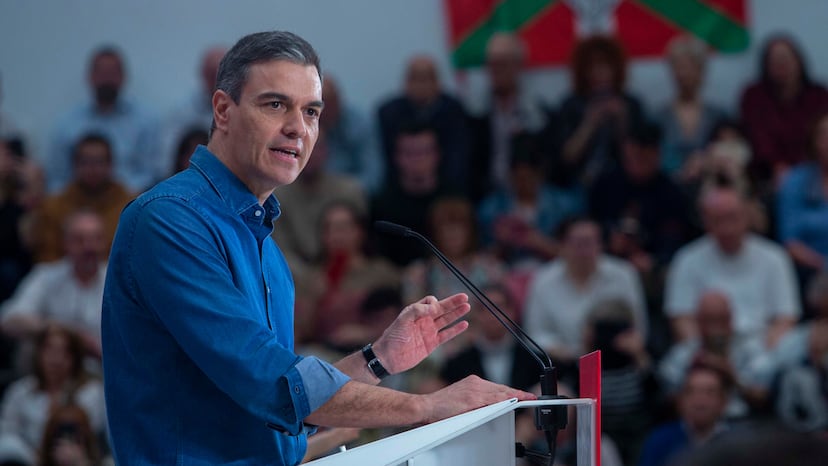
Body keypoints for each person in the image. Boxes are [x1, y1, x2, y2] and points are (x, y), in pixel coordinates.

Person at [101, 31, 534, 465]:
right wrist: (427, 406)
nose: (298, 128)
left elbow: (286, 410)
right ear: (223, 110)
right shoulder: (168, 220)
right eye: (275, 105)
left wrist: (378, 358)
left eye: (311, 111)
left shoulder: (267, 249)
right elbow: (271, 383)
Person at [664, 187, 800, 347]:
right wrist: (706, 351)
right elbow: (681, 317)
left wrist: (767, 354)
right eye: (718, 220)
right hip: (707, 348)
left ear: (747, 216)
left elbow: (785, 317)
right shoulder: (686, 260)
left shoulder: (775, 258)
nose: (727, 227)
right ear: (705, 221)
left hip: (764, 346)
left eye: (732, 218)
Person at [523, 217, 647, 373]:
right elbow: (535, 333)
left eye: (589, 242)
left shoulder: (624, 274)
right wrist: (565, 353)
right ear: (562, 245)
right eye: (577, 243)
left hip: (616, 362)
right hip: (562, 365)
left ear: (601, 244)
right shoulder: (543, 280)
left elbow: (639, 326)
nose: (583, 251)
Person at [47, 46, 160, 193]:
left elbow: (151, 174)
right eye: (102, 73)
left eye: (112, 73)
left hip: (131, 199)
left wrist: (123, 197)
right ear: (90, 77)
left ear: (123, 77)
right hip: (78, 201)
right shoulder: (67, 124)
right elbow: (57, 178)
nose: (107, 79)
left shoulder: (146, 121)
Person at [1, 210, 107, 357]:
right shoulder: (45, 276)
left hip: (104, 365)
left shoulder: (118, 281)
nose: (89, 247)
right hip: (56, 364)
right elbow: (9, 319)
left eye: (96, 239)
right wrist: (62, 332)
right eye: (79, 240)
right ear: (66, 243)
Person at [658, 291, 772, 419]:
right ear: (699, 322)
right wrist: (693, 374)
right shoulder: (683, 354)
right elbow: (668, 398)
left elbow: (762, 397)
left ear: (730, 321)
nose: (716, 328)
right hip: (697, 423)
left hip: (745, 422)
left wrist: (732, 377)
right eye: (709, 321)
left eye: (721, 320)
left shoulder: (750, 350)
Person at [553, 35, 647, 189]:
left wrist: (622, 121)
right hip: (578, 184)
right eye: (591, 66)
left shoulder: (631, 105)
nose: (597, 72)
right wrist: (589, 124)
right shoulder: (571, 105)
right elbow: (566, 157)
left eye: (604, 65)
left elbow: (641, 160)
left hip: (623, 184)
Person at [0, 325, 105, 462]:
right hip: (27, 459)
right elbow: (7, 432)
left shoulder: (91, 392)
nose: (56, 359)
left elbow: (92, 433)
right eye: (49, 350)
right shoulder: (20, 391)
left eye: (64, 352)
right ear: (39, 353)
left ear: (75, 357)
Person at [467, 33, 549, 202]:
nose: (495, 71)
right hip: (489, 197)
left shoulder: (539, 113)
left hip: (533, 196)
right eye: (491, 64)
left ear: (519, 66)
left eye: (502, 64)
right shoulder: (475, 115)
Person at [739, 34, 828, 188]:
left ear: (799, 61)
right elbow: (756, 136)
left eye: (785, 59)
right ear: (766, 65)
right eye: (775, 61)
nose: (781, 65)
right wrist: (776, 166)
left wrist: (802, 171)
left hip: (815, 169)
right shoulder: (754, 96)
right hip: (766, 173)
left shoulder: (819, 95)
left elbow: (820, 136)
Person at [28, 134, 133, 264]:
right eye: (86, 162)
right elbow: (47, 257)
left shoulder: (131, 207)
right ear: (74, 164)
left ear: (111, 164)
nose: (93, 168)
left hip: (116, 273)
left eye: (99, 161)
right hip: (65, 274)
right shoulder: (52, 207)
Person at [377, 55, 471, 191]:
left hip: (445, 186)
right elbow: (385, 160)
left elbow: (458, 157)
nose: (421, 84)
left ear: (438, 82)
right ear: (405, 82)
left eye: (427, 78)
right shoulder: (388, 113)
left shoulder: (453, 110)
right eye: (415, 78)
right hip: (399, 188)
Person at [371, 122, 458, 267]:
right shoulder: (382, 204)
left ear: (437, 155)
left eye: (424, 151)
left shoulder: (454, 199)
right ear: (397, 157)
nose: (418, 159)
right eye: (409, 153)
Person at [656, 36, 726, 177]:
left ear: (701, 71)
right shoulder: (658, 117)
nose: (683, 74)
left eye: (689, 67)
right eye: (678, 67)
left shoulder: (718, 116)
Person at [638, 364, 730, 466]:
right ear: (680, 400)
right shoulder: (659, 440)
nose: (700, 401)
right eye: (691, 392)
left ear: (724, 401)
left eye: (710, 393)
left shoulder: (736, 442)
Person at [160, 46, 227, 177]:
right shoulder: (181, 112)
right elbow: (166, 157)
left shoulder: (242, 110)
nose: (217, 79)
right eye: (212, 74)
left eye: (222, 73)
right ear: (203, 74)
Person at [320, 75, 383, 193]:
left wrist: (342, 190)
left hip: (349, 193)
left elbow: (373, 176)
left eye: (327, 104)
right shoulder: (302, 125)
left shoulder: (360, 124)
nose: (323, 112)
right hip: (306, 192)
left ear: (338, 101)